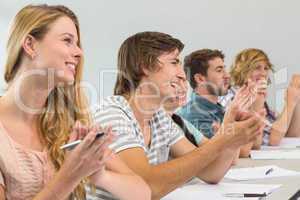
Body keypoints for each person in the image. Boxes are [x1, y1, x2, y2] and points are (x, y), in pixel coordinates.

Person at [0, 4, 150, 200]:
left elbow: (142, 193)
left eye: (77, 43)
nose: (79, 52)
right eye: (67, 41)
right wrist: (71, 175)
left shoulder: (67, 123)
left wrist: (99, 174)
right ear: (30, 45)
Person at [94, 31, 265, 199]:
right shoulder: (113, 113)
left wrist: (231, 134)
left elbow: (212, 172)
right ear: (144, 66)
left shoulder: (159, 118)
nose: (182, 74)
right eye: (174, 62)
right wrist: (223, 140)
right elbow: (148, 185)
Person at [178, 49, 265, 157]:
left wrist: (252, 112)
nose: (227, 75)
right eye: (219, 70)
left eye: (225, 69)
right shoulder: (194, 114)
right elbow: (240, 152)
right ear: (200, 78)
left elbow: (256, 145)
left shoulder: (218, 109)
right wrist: (252, 112)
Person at [220, 48, 300, 150]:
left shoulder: (260, 99)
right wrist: (290, 102)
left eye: (266, 68)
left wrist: (296, 94)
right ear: (243, 70)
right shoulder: (233, 98)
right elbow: (273, 140)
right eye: (257, 68)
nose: (263, 73)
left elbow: (291, 134)